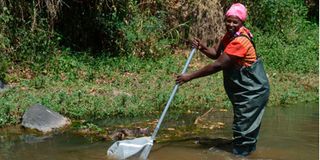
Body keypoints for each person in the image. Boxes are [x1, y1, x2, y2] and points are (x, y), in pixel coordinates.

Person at [176, 3, 270, 156]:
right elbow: (215, 53)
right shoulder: (230, 35)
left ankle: (240, 155)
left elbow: (218, 64)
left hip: (253, 92)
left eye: (235, 22)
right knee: (245, 128)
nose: (231, 24)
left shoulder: (240, 41)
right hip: (245, 90)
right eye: (229, 21)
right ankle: (246, 152)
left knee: (243, 128)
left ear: (242, 23)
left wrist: (189, 76)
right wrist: (202, 47)